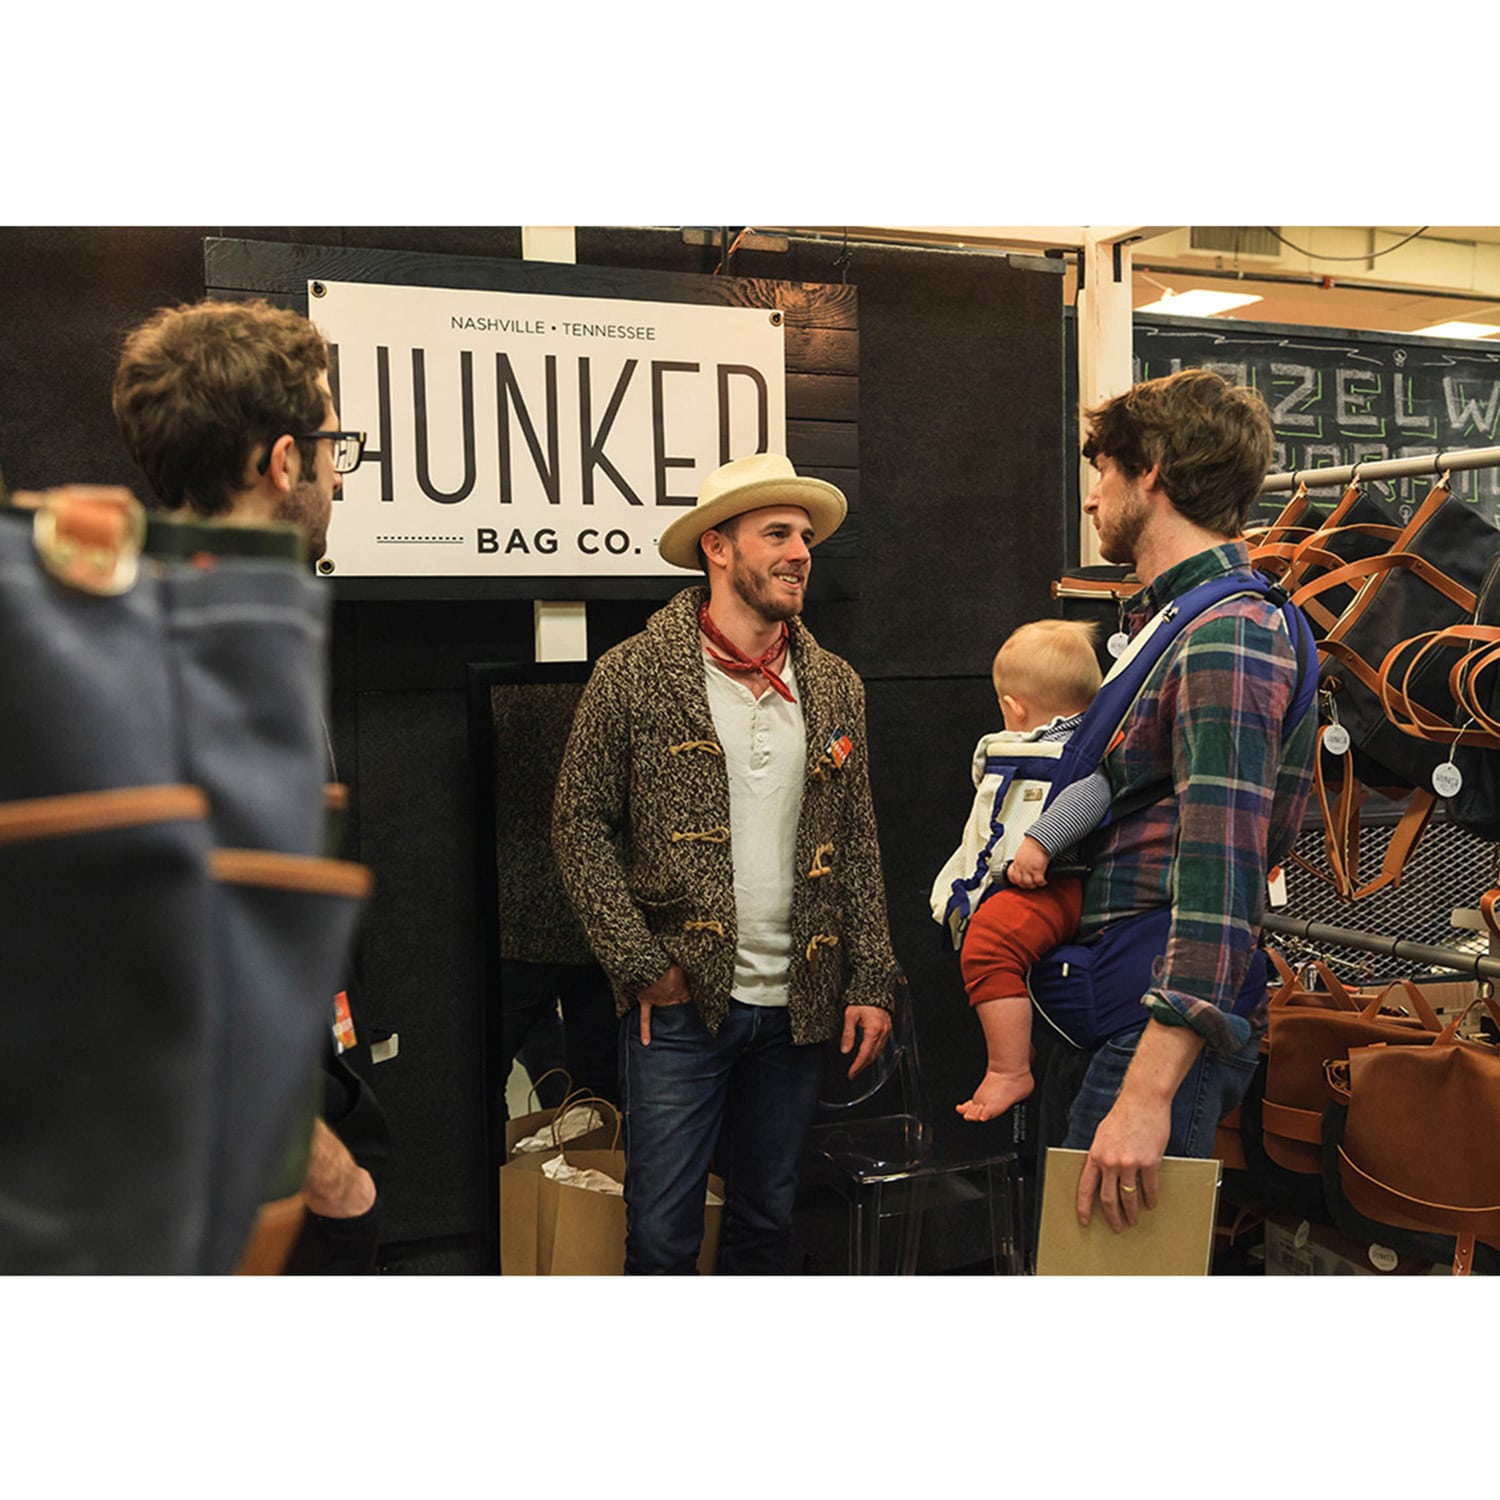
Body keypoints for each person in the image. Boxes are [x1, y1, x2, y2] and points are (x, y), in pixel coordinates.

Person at [552, 451, 899, 1275]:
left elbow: (856, 839)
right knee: (662, 1234)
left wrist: (871, 980)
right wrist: (641, 965)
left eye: (805, 536)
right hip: (680, 1006)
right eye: (776, 533)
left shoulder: (835, 684)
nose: (799, 552)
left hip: (799, 1006)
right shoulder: (634, 675)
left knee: (767, 1222)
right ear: (718, 548)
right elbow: (577, 824)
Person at [113, 298, 387, 1271]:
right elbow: (152, 970)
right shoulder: (160, 654)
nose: (336, 477)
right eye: (331, 445)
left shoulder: (224, 620)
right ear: (282, 462)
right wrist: (326, 1175)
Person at [1047, 367, 1317, 1235]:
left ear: (1152, 468)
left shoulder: (1227, 636)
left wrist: (1147, 1094)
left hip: (1158, 1024)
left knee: (1112, 1290)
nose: (1093, 498)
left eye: (1105, 469)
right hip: (1136, 1003)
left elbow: (1220, 876)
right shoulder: (1186, 624)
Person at [941, 618, 1109, 1122]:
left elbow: (1093, 793)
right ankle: (1017, 1048)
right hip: (1035, 883)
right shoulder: (1049, 741)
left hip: (1060, 882)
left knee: (990, 944)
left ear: (1014, 709)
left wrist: (1041, 841)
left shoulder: (1076, 751)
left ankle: (1009, 1068)